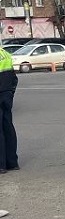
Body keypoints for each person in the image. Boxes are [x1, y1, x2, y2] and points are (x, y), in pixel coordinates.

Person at [0, 44, 17, 173]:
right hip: (6, 93)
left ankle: (1, 165)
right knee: (8, 126)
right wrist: (10, 92)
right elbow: (14, 78)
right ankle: (12, 162)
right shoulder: (5, 53)